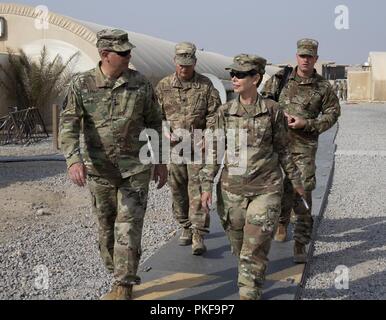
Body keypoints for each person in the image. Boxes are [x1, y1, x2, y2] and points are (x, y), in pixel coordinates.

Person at [60, 29, 167, 300]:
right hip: (100, 172)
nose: (129, 55)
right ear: (105, 55)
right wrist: (74, 159)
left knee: (128, 227)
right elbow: (69, 125)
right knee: (107, 228)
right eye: (123, 52)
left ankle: (124, 285)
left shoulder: (141, 84)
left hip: (135, 170)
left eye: (129, 51)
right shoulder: (81, 85)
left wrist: (161, 160)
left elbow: (155, 122)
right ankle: (117, 272)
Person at [200, 54, 304, 300]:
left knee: (253, 248)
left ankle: (249, 292)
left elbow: (283, 149)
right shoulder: (224, 112)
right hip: (231, 190)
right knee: (239, 245)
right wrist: (205, 186)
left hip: (266, 189)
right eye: (232, 74)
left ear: (255, 78)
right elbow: (214, 152)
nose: (234, 78)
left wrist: (297, 181)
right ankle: (251, 275)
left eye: (240, 74)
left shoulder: (273, 111)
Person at [261, 39, 341, 263]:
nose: (305, 60)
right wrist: (278, 116)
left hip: (304, 147)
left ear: (316, 58)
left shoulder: (323, 87)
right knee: (279, 189)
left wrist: (306, 124)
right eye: (302, 56)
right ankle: (282, 223)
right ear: (296, 57)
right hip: (278, 145)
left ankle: (300, 243)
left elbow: (333, 114)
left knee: (303, 192)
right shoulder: (280, 79)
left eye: (310, 56)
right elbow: (263, 103)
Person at [156, 42, 221, 255]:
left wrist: (208, 136)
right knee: (177, 190)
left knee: (199, 190)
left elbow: (215, 115)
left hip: (198, 147)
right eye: (181, 65)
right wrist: (165, 129)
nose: (184, 69)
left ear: (195, 62)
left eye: (188, 65)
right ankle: (185, 225)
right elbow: (156, 116)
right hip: (175, 148)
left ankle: (198, 233)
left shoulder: (205, 86)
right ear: (174, 62)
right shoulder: (163, 86)